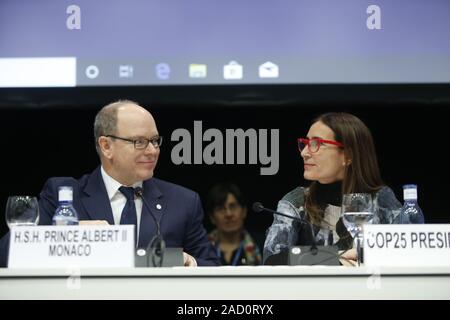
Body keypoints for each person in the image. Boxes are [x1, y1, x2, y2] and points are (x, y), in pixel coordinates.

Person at [0, 100, 219, 267]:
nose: (153, 150)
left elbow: (212, 268)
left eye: (155, 141)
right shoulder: (64, 194)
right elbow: (8, 253)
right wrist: (70, 232)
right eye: (139, 142)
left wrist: (191, 263)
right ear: (106, 146)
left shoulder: (183, 201)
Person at [263, 112, 404, 265]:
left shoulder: (379, 199)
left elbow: (412, 252)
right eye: (305, 143)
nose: (304, 153)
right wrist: (336, 260)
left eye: (316, 144)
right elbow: (272, 259)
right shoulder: (296, 202)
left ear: (348, 156)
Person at [206, 183, 262, 266]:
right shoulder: (201, 248)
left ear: (244, 211)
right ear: (212, 217)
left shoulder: (261, 245)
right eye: (221, 208)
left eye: (233, 207)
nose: (228, 214)